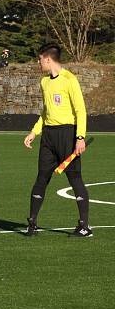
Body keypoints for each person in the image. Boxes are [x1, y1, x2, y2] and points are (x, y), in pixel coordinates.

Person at [23, 44, 91, 237]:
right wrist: (34, 132)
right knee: (41, 177)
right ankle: (32, 223)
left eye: (39, 59)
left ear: (47, 59)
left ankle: (84, 226)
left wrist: (80, 137)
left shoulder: (70, 80)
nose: (38, 63)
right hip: (48, 137)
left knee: (74, 178)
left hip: (67, 135)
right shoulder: (44, 82)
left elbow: (80, 111)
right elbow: (45, 112)